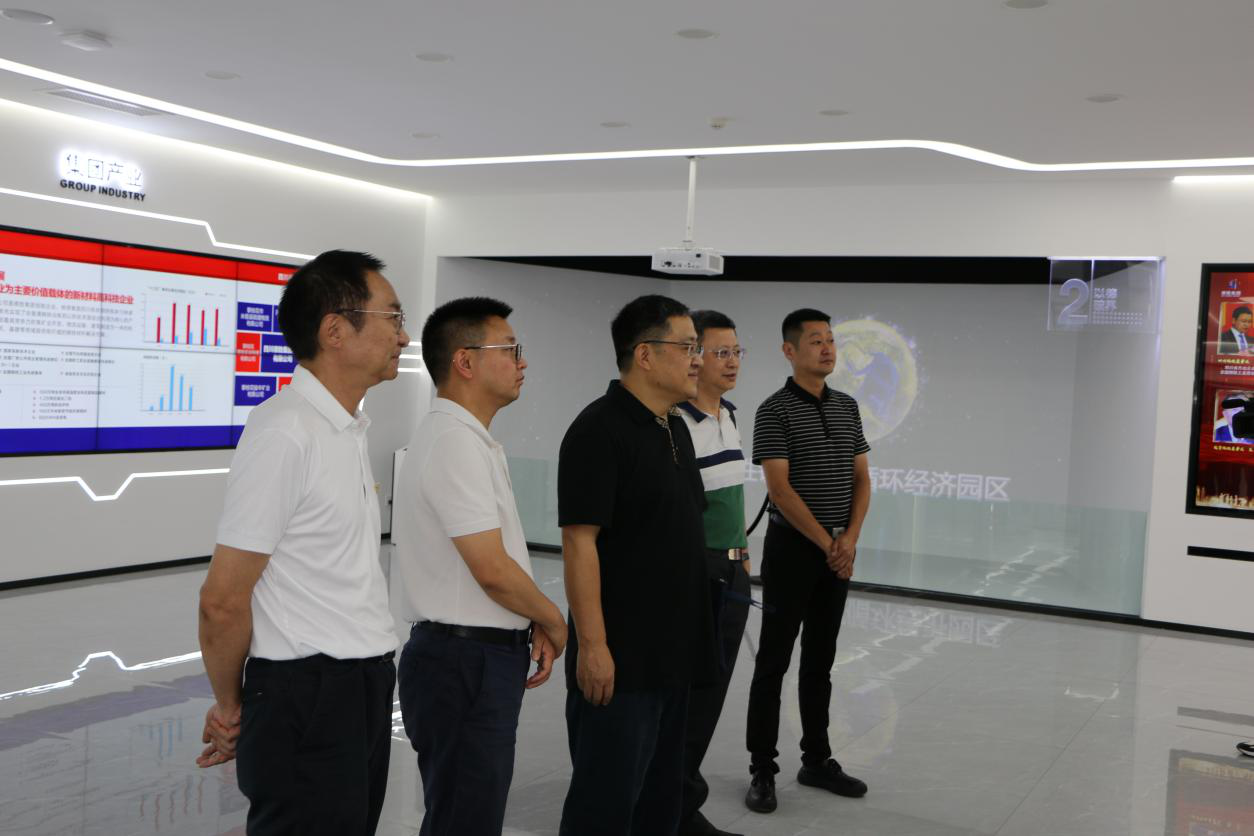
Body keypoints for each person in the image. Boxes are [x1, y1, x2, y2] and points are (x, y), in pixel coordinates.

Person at [197, 250, 409, 835]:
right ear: (335, 330)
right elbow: (222, 599)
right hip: (307, 694)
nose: (403, 335)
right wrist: (232, 707)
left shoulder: (346, 428)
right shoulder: (285, 432)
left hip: (362, 683)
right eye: (392, 317)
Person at [392, 297, 567, 836]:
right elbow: (490, 569)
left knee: (466, 813)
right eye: (510, 349)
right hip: (463, 660)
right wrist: (553, 618)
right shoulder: (453, 441)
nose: (522, 361)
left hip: (471, 657)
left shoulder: (467, 438)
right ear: (465, 362)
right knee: (464, 817)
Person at [558, 294, 717, 836]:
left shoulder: (674, 427)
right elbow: (579, 543)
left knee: (659, 806)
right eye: (688, 347)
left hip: (673, 657)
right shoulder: (598, 431)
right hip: (621, 664)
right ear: (645, 355)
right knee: (603, 808)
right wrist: (594, 647)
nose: (698, 359)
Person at [744, 308, 872, 815]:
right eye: (816, 340)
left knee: (820, 661)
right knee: (773, 662)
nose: (827, 349)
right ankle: (762, 768)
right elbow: (780, 488)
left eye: (831, 340)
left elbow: (862, 478)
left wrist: (850, 540)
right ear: (789, 350)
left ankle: (816, 760)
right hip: (793, 551)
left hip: (836, 551)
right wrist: (828, 544)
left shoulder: (847, 406)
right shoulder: (773, 410)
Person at [674, 310, 752, 836]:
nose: (732, 362)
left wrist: (742, 555)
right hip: (695, 575)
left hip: (732, 572)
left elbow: (730, 499)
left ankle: (682, 803)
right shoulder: (676, 424)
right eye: (721, 352)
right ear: (694, 357)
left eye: (737, 352)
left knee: (712, 695)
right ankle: (672, 806)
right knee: (688, 696)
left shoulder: (730, 415)